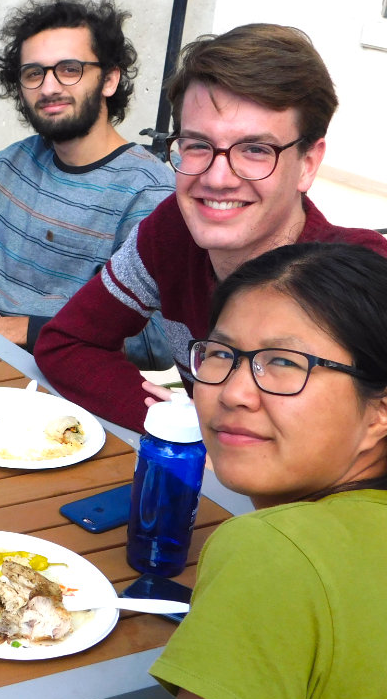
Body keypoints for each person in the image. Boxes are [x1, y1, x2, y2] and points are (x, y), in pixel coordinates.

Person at [35, 241, 387, 699]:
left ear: (379, 412)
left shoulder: (276, 554)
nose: (234, 392)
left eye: (285, 363)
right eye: (221, 355)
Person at [34, 23, 387, 433]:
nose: (217, 178)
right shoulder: (174, 230)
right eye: (198, 144)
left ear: (308, 163)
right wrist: (179, 430)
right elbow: (68, 343)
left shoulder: (364, 276)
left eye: (256, 150)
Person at [0, 0, 173, 364]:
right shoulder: (16, 161)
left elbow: (155, 339)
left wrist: (15, 330)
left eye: (70, 69)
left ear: (109, 80)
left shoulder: (149, 192)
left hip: (63, 379)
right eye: (33, 73)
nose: (49, 87)